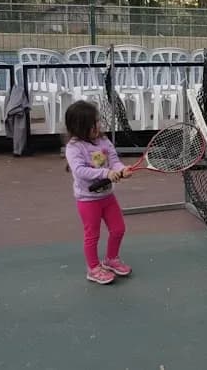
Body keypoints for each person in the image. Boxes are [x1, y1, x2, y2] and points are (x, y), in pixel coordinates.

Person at [64, 100, 133, 285]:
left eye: (98, 121)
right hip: (87, 200)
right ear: (79, 127)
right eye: (93, 124)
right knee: (92, 235)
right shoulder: (74, 147)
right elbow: (80, 171)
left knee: (118, 229)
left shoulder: (103, 140)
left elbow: (114, 160)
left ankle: (111, 259)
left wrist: (121, 170)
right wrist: (107, 173)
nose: (98, 126)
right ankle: (93, 268)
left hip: (107, 197)